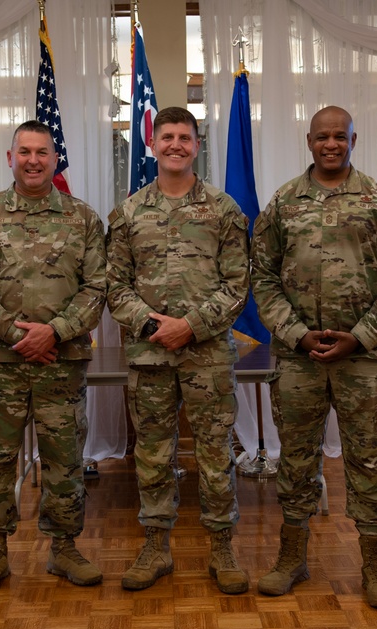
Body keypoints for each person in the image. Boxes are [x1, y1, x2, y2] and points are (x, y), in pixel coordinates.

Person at [250, 106, 377, 609]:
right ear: (308, 141)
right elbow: (262, 278)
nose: (330, 144)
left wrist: (361, 336)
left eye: (339, 137)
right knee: (296, 459)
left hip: (361, 359)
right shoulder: (283, 203)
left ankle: (375, 566)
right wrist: (297, 334)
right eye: (322, 136)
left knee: (368, 459)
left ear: (353, 140)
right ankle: (291, 558)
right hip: (297, 358)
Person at [0, 120, 107, 593]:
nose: (34, 160)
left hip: (62, 363)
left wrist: (55, 333)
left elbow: (98, 287)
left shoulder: (82, 218)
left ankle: (64, 550)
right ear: (10, 157)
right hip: (2, 363)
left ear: (55, 159)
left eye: (42, 152)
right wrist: (16, 334)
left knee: (64, 459)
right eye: (25, 152)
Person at [106, 106, 250, 594]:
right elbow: (114, 285)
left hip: (207, 355)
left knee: (214, 452)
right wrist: (154, 325)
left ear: (196, 144)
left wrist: (190, 326)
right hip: (149, 356)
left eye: (184, 138)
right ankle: (155, 546)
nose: (175, 145)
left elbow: (237, 285)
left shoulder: (224, 210)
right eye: (166, 137)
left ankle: (222, 547)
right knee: (151, 453)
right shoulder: (128, 213)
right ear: (152, 143)